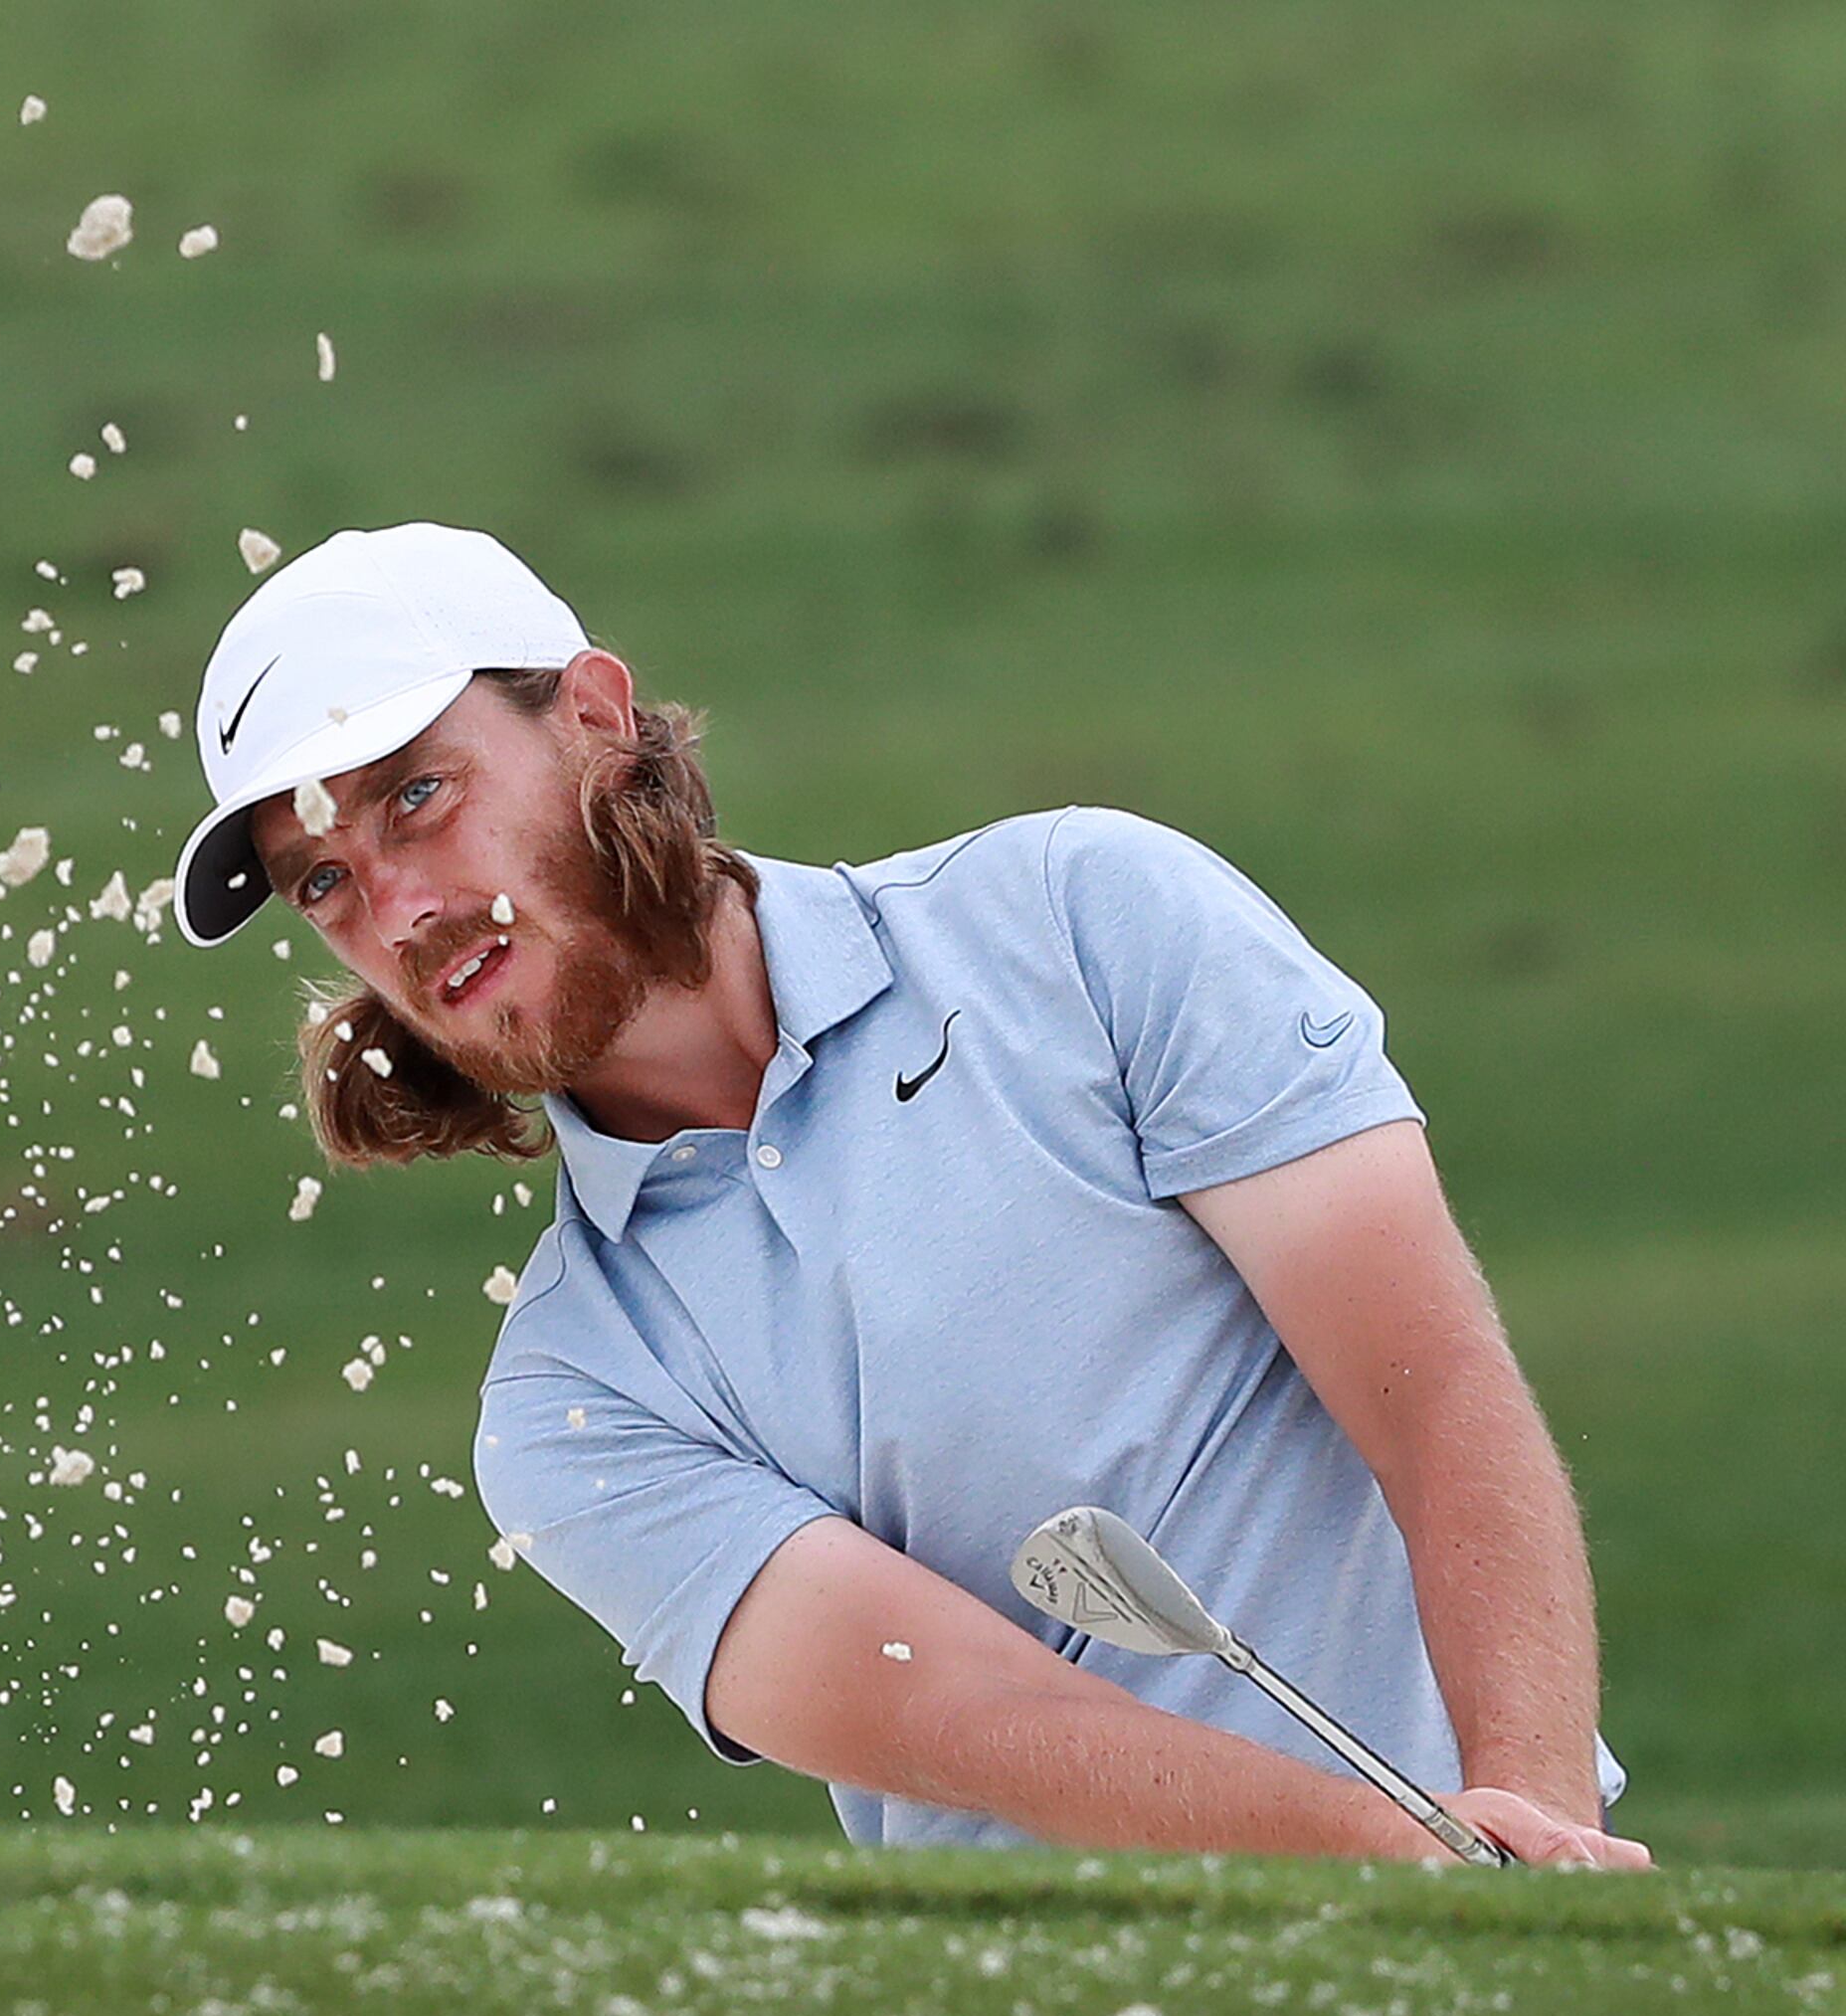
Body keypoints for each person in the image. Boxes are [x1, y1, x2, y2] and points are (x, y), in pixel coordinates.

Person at [170, 522, 1647, 1868]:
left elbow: (1430, 1391)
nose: (400, 910)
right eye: (325, 883)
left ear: (597, 720)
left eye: (419, 796)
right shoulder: (574, 1402)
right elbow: (976, 1716)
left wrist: (1533, 1829)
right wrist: (1414, 1863)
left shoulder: (1082, 922)